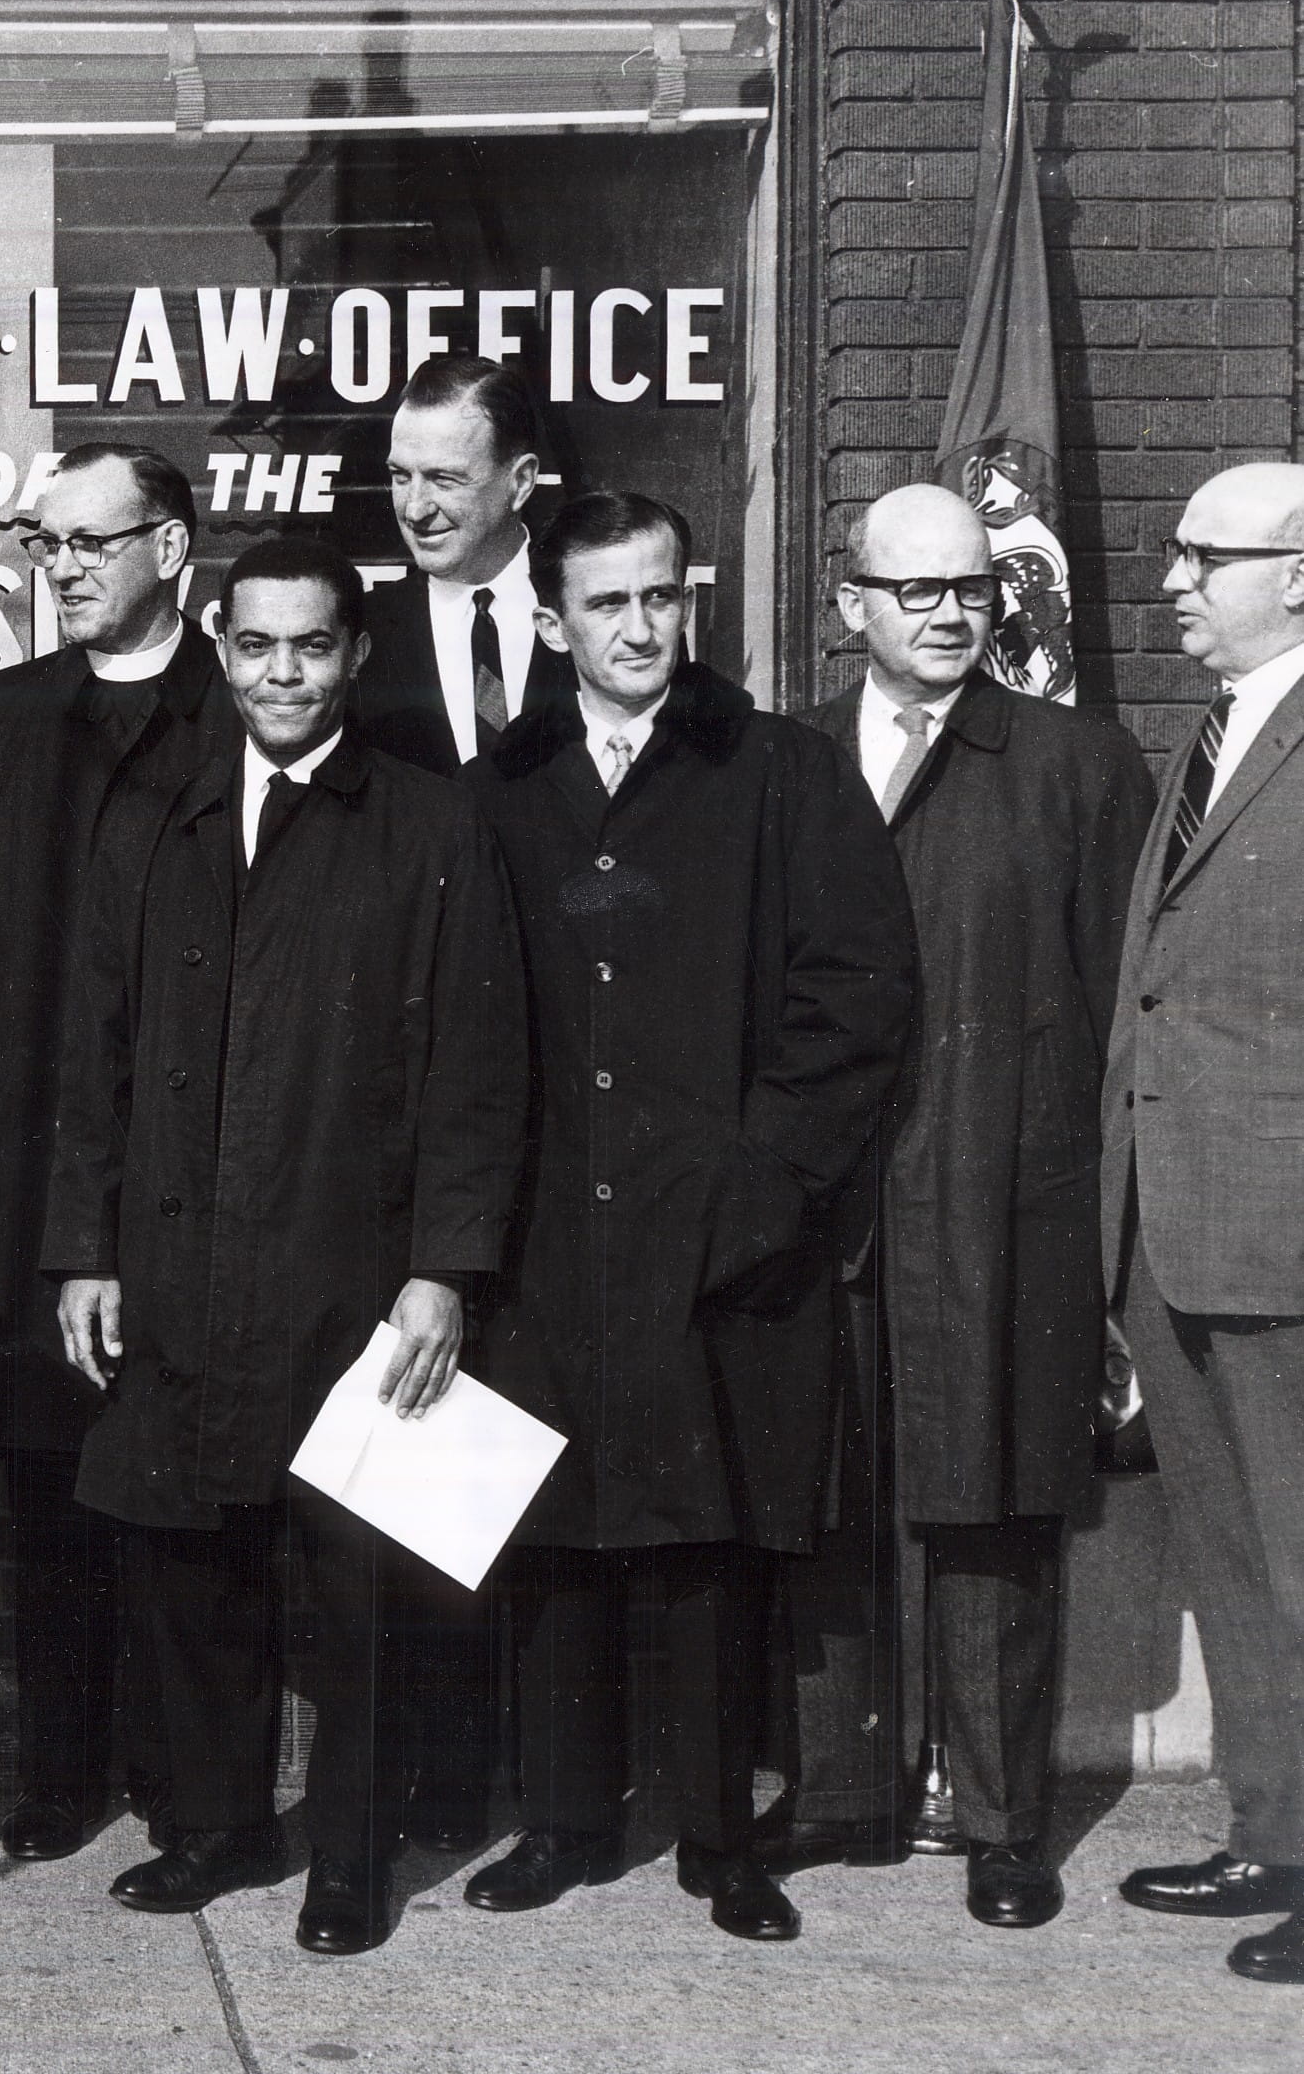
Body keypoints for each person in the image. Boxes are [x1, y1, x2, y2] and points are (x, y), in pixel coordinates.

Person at [42, 535, 527, 1955]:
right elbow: (97, 1051)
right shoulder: (156, 816)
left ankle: (347, 1859)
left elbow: (476, 1071)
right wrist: (84, 1247)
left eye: (309, 647)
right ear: (218, 644)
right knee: (187, 1564)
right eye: (253, 647)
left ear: (353, 655)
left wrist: (444, 1268)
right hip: (176, 1262)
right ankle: (215, 1825)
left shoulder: (429, 827)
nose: (279, 675)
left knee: (349, 1584)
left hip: (347, 1271)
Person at [463, 491, 914, 1943]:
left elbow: (852, 1001)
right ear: (551, 625)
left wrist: (761, 1188)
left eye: (661, 596)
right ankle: (565, 1820)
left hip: (718, 1234)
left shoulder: (779, 771)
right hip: (545, 1238)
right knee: (552, 1534)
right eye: (606, 604)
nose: (641, 628)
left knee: (710, 1537)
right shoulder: (501, 787)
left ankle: (723, 1838)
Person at [770, 484, 1152, 1928]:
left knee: (991, 1502)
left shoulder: (1072, 764)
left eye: (969, 592)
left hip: (1001, 1192)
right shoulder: (784, 756)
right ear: (848, 598)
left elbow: (1122, 1008)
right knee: (824, 1497)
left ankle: (1000, 1822)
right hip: (821, 1207)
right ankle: (840, 1793)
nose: (943, 615)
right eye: (913, 590)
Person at [0, 442, 223, 1862]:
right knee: (46, 1488)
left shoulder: (240, 707)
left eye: (84, 543)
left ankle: (181, 1778)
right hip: (29, 1160)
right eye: (39, 544)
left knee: (174, 1477)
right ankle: (61, 1773)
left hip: (188, 1157)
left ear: (169, 552)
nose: (55, 567)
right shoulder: (4, 718)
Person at [1105, 462, 1304, 1985]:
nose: (1169, 577)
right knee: (1233, 1559)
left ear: (1296, 573)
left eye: (1202, 555)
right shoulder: (1208, 729)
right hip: (1169, 1227)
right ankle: (1274, 1833)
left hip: (1280, 1234)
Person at [351, 354, 573, 780]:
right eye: (400, 476)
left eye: (444, 479)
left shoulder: (596, 609)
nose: (415, 509)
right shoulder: (362, 632)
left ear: (521, 481)